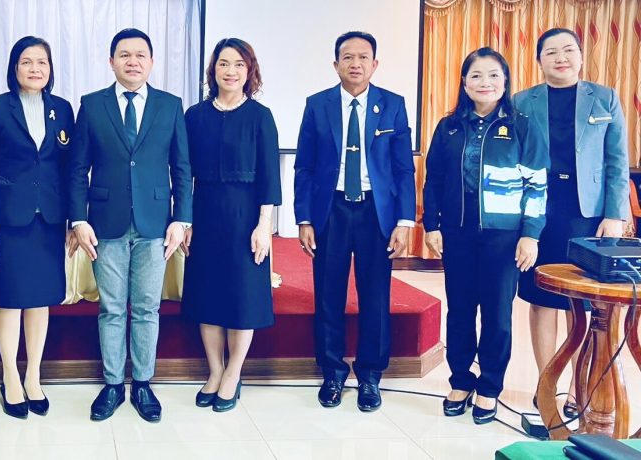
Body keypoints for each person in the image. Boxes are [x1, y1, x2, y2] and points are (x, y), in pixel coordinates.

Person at [69, 28, 192, 422]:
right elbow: (78, 169)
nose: (133, 61)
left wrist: (182, 219)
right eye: (125, 55)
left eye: (140, 55)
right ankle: (111, 385)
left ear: (152, 62)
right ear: (111, 62)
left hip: (155, 223)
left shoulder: (170, 106)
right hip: (105, 222)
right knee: (111, 308)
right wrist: (78, 219)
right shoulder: (92, 105)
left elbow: (182, 167)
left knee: (146, 308)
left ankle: (142, 383)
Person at [423, 47, 547, 424]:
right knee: (460, 311)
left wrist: (530, 234)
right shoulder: (449, 127)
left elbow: (537, 185)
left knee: (497, 315)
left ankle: (490, 386)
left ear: (505, 81)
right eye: (476, 75)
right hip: (457, 233)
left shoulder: (522, 125)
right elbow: (433, 180)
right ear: (464, 83)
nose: (485, 83)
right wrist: (432, 225)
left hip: (504, 238)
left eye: (493, 75)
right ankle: (460, 381)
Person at [293, 31, 416, 412]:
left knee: (375, 295)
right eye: (348, 57)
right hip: (330, 209)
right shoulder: (318, 105)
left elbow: (403, 169)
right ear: (336, 65)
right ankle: (332, 372)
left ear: (375, 64)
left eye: (364, 57)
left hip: (375, 212)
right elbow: (305, 166)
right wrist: (304, 218)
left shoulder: (393, 105)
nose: (356, 64)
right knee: (328, 293)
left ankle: (370, 375)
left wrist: (404, 221)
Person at [514, 28, 629, 417]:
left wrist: (615, 214)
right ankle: (545, 384)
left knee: (580, 303)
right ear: (539, 61)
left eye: (568, 50)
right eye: (551, 52)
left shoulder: (605, 98)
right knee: (541, 297)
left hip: (588, 214)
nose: (560, 58)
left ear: (580, 56)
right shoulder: (522, 101)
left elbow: (617, 161)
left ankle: (579, 386)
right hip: (538, 210)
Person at [0, 36, 73, 419]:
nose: (35, 68)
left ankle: (33, 375)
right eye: (27, 61)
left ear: (50, 69)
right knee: (10, 300)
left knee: (39, 300)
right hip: (8, 220)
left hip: (48, 220)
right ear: (14, 67)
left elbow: (68, 169)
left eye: (42, 62)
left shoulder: (62, 109)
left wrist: (72, 220)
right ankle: (10, 375)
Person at [181, 38, 281, 413]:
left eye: (239, 64)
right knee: (207, 295)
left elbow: (270, 177)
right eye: (224, 63)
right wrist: (185, 219)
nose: (231, 71)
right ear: (213, 70)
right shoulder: (195, 116)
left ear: (249, 71)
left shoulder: (260, 117)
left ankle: (234, 373)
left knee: (242, 297)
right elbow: (184, 173)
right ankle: (215, 370)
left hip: (245, 218)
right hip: (205, 214)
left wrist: (264, 225)